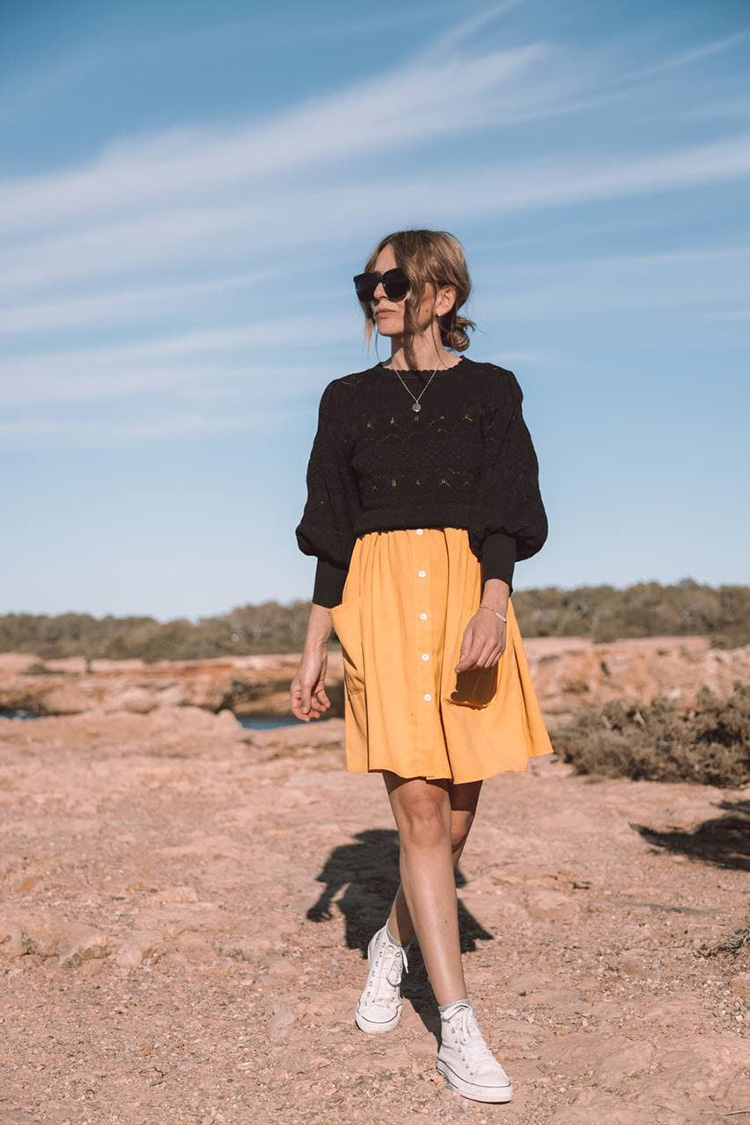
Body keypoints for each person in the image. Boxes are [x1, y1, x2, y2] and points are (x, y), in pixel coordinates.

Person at [290, 228, 553, 1104]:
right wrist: (315, 643)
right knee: (422, 815)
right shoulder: (345, 400)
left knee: (456, 823)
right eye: (367, 283)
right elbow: (332, 528)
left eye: (394, 281)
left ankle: (391, 941)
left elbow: (507, 507)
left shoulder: (492, 390)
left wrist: (493, 602)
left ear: (441, 295)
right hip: (378, 605)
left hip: (468, 600)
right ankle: (459, 1028)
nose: (378, 294)